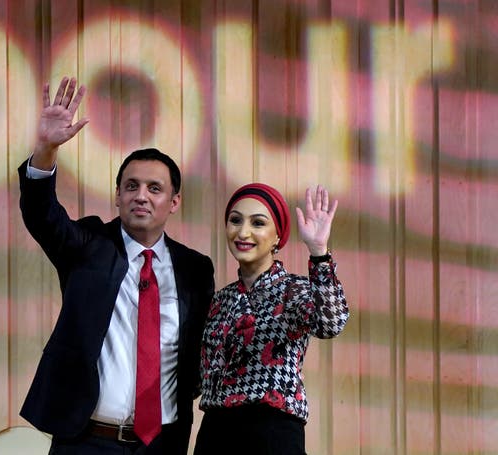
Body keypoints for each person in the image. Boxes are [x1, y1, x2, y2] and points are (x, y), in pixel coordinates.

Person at [18, 76, 215, 455]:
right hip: (89, 441)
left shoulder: (195, 269)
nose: (141, 196)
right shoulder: (89, 246)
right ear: (118, 196)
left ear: (174, 202)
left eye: (154, 189)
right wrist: (45, 150)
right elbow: (41, 215)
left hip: (164, 443)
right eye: (131, 186)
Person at [194, 183, 349, 455]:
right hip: (215, 431)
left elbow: (330, 323)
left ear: (278, 236)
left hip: (271, 432)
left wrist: (319, 252)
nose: (243, 232)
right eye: (235, 220)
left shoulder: (294, 290)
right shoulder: (220, 300)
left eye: (258, 223)